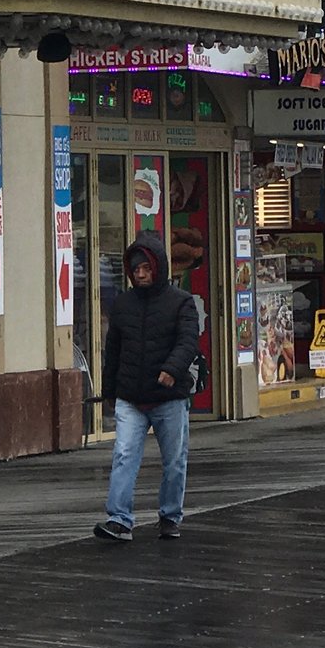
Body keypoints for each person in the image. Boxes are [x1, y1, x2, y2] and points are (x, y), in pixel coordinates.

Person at [95, 232, 201, 542]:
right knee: (124, 453)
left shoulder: (181, 302)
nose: (140, 275)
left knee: (174, 459)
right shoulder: (123, 303)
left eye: (146, 269)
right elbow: (112, 349)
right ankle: (119, 519)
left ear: (159, 268)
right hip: (130, 394)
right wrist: (110, 391)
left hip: (169, 396)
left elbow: (188, 341)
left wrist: (171, 369)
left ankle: (170, 516)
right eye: (135, 270)